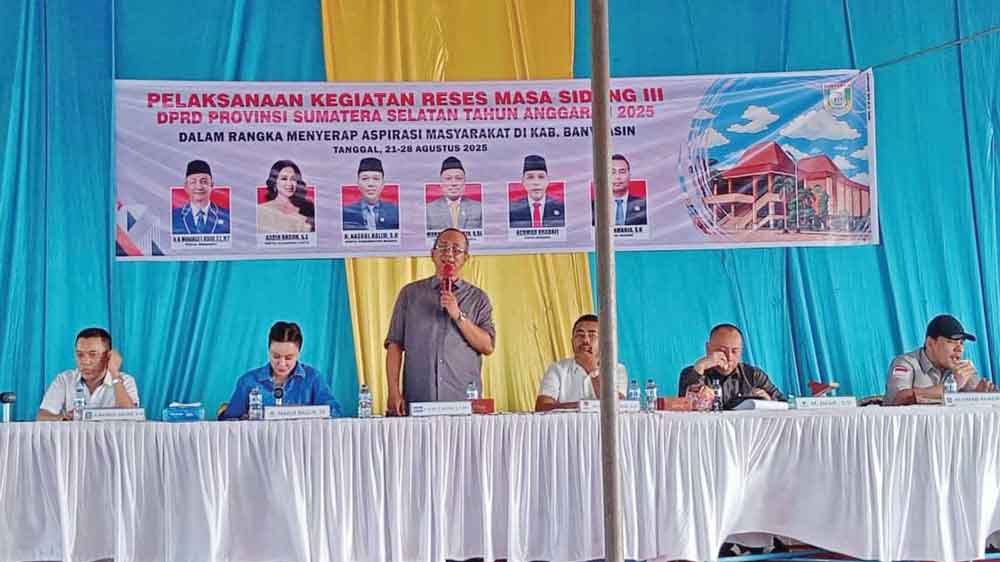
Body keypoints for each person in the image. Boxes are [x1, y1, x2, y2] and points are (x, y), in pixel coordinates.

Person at [385, 228, 495, 414]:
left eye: (456, 249)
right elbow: (394, 345)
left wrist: (458, 315)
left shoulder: (478, 298)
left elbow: (487, 346)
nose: (449, 254)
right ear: (432, 254)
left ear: (466, 258)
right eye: (443, 247)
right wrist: (393, 391)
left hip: (464, 404)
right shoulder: (410, 294)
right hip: (418, 402)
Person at [220, 321, 342, 419]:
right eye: (276, 356)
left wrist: (302, 412)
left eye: (288, 358)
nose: (282, 364)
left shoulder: (313, 379)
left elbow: (335, 412)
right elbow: (229, 422)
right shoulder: (248, 382)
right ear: (269, 351)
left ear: (298, 354)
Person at [884, 314, 995, 405]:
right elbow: (898, 399)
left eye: (962, 343)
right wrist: (952, 386)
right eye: (951, 341)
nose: (959, 349)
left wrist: (981, 395)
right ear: (930, 344)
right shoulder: (906, 363)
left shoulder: (960, 369)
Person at [37, 328, 139, 420]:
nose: (85, 362)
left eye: (93, 355)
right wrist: (63, 419)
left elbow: (132, 418)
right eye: (80, 355)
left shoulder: (126, 381)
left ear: (108, 356)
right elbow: (42, 416)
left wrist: (115, 375)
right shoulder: (65, 379)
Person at [677, 323, 785, 410]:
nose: (729, 357)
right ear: (708, 349)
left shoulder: (754, 375)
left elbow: (785, 405)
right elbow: (684, 407)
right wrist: (700, 366)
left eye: (734, 351)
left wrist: (769, 402)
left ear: (741, 351)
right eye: (722, 351)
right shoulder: (691, 372)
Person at [535, 314, 627, 411]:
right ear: (572, 342)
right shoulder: (557, 369)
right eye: (580, 335)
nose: (585, 340)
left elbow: (617, 407)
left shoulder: (617, 370)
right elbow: (541, 408)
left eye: (592, 335)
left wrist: (592, 369)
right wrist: (582, 406)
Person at [171, 159, 231, 234]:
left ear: (211, 185)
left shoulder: (226, 215)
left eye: (204, 182)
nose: (199, 187)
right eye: (193, 182)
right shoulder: (174, 216)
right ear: (186, 187)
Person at [426, 156, 483, 230]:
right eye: (448, 179)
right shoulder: (429, 209)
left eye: (458, 178)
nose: (453, 183)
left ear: (464, 183)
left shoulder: (478, 207)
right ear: (441, 183)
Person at [257, 160, 315, 233]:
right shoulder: (261, 210)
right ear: (274, 182)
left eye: (293, 179)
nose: (289, 183)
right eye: (284, 179)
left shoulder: (308, 208)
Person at [342, 157, 399, 230]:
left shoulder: (394, 211)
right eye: (365, 179)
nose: (370, 184)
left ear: (383, 183)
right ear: (358, 183)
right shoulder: (346, 212)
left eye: (376, 179)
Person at [509, 154, 565, 228]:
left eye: (541, 177)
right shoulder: (513, 209)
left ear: (548, 180)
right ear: (523, 181)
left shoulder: (560, 207)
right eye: (530, 177)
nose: (536, 182)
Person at [591, 154, 647, 226]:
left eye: (622, 172)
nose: (617, 177)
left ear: (629, 175)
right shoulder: (594, 207)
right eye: (612, 172)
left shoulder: (643, 205)